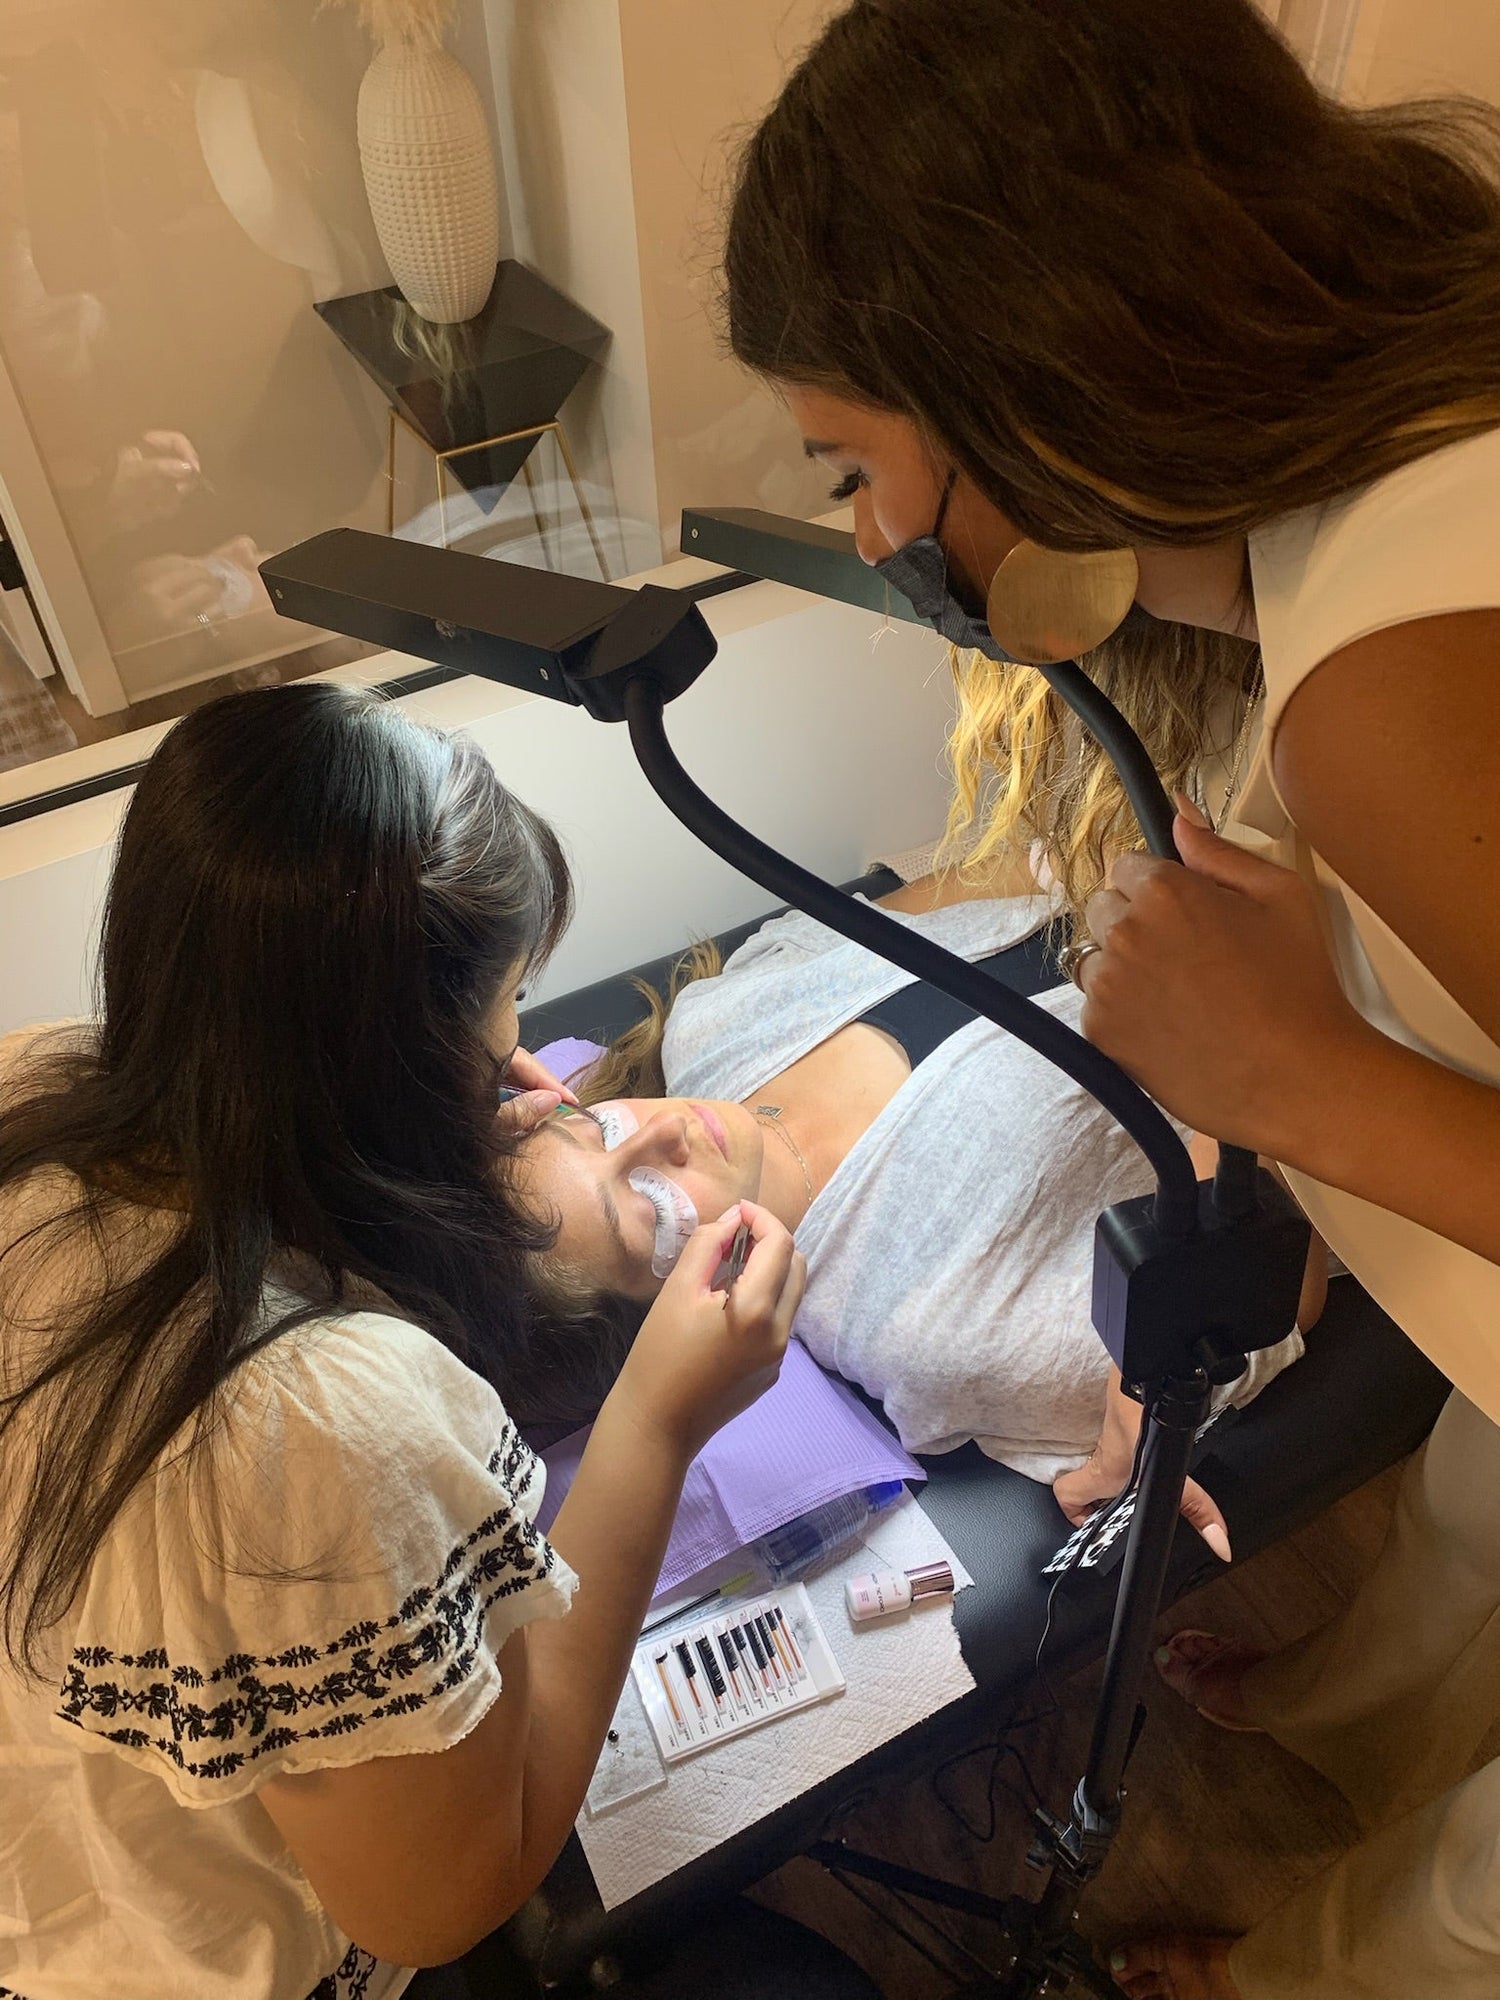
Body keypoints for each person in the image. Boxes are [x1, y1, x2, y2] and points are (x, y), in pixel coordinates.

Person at [720, 3, 1500, 1996]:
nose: (877, 538)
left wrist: (1303, 1075)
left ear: (1036, 381)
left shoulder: (1385, 688)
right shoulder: (1392, 499)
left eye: (855, 464)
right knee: (1475, 1524)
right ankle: (1357, 1704)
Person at [0, 682, 884, 2000]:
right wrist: (654, 1421)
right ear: (390, 1063)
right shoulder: (325, 1431)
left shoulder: (39, 1093)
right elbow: (441, 1899)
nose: (537, 1071)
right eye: (508, 1001)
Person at [517, 867, 1313, 1541]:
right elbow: (1286, 1275)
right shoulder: (926, 1330)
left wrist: (1125, 850)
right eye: (649, 1203)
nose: (662, 1131)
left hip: (1196, 852)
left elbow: (989, 871)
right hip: (1320, 1003)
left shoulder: (717, 1023)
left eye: (593, 1129)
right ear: (682, 1314)